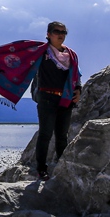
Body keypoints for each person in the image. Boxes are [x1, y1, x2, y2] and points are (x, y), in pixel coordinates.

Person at [33, 21, 82, 181]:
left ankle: (62, 166)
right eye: (56, 31)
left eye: (64, 32)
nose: (60, 34)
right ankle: (41, 169)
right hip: (46, 97)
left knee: (62, 135)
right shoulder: (41, 52)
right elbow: (23, 60)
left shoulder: (71, 55)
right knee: (45, 134)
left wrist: (79, 90)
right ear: (48, 34)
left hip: (65, 99)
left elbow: (76, 76)